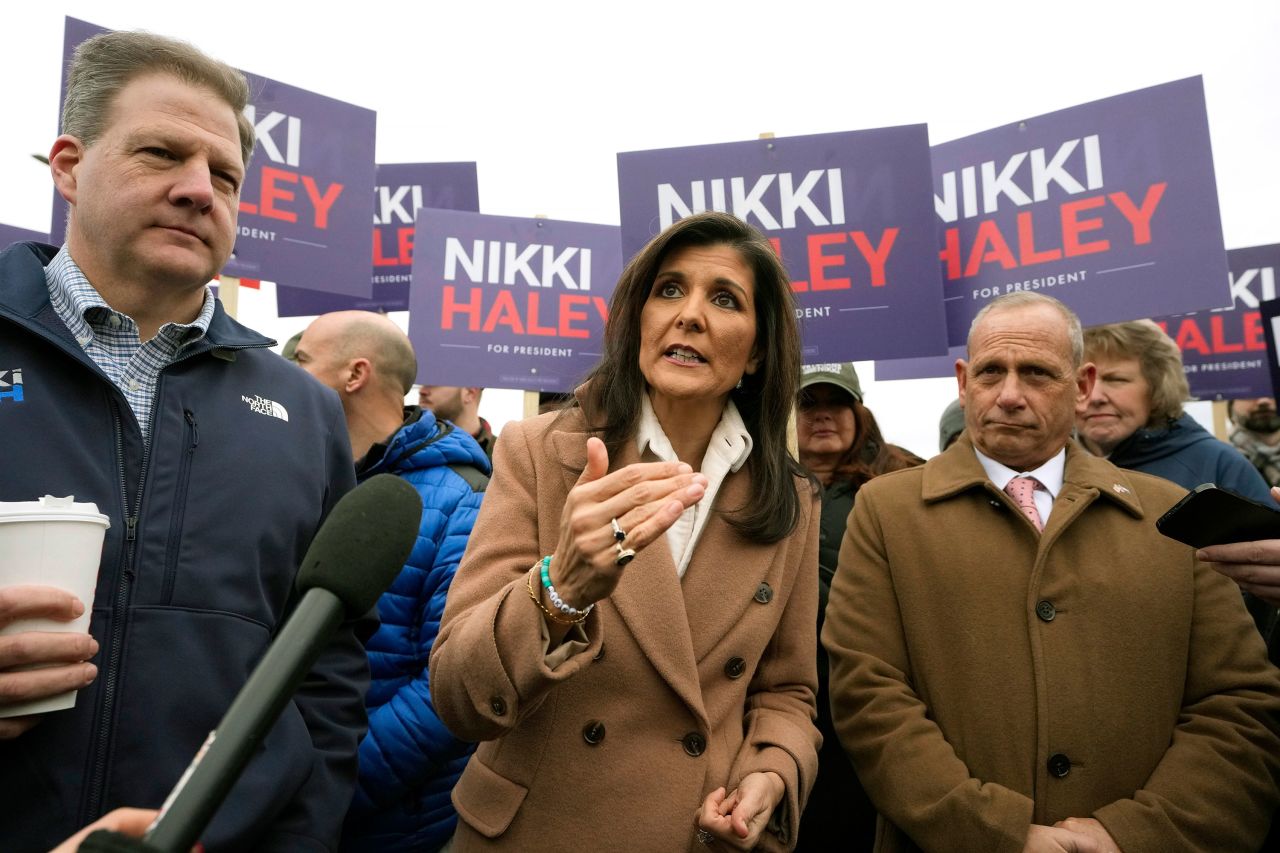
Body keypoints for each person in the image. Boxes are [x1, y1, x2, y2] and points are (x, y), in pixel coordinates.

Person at [0, 30, 368, 852]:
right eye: (161, 153)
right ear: (67, 166)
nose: (200, 190)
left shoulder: (305, 413)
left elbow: (328, 674)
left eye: (226, 176)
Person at [823, 292, 1280, 852]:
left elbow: (1236, 705)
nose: (1009, 395)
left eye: (1037, 373)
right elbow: (869, 696)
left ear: (1083, 385)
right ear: (963, 382)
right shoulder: (887, 512)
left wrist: (1133, 834)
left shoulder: (1172, 515)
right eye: (991, 372)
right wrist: (996, 833)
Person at [428, 211, 821, 851]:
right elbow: (456, 693)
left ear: (756, 352)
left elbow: (787, 692)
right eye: (669, 289)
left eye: (724, 299)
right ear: (637, 320)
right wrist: (561, 590)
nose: (689, 315)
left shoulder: (791, 498)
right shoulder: (538, 450)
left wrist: (771, 773)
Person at [293, 310, 490, 852]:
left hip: (388, 820)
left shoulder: (461, 501)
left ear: (354, 375)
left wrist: (333, 781)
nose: (287, 374)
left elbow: (451, 685)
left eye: (302, 360)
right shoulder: (303, 477)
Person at [793, 363, 922, 852]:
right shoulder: (756, 487)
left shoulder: (906, 477)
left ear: (858, 411)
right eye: (809, 404)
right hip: (792, 699)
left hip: (881, 695)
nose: (824, 416)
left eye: (837, 403)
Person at [1076, 320, 1271, 502]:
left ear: (1158, 388)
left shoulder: (1218, 465)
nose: (1094, 397)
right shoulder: (1051, 464)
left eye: (1116, 379)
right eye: (1081, 382)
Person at [419, 384, 495, 460]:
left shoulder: (502, 455)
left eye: (435, 383)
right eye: (422, 383)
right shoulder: (410, 445)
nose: (422, 391)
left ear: (469, 392)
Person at [1229, 397, 1280, 488]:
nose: (1264, 401)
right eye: (1251, 393)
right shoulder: (1219, 466)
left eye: (1273, 390)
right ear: (1232, 404)